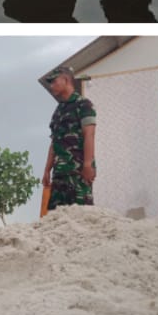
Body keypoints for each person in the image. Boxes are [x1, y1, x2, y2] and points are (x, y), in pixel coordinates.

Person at [41, 65, 97, 209]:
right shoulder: (58, 111)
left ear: (66, 80)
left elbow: (89, 134)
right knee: (56, 218)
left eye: (54, 81)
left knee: (82, 216)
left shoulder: (83, 104)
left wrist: (87, 165)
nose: (52, 85)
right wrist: (47, 170)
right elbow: (54, 142)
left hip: (78, 172)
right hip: (59, 174)